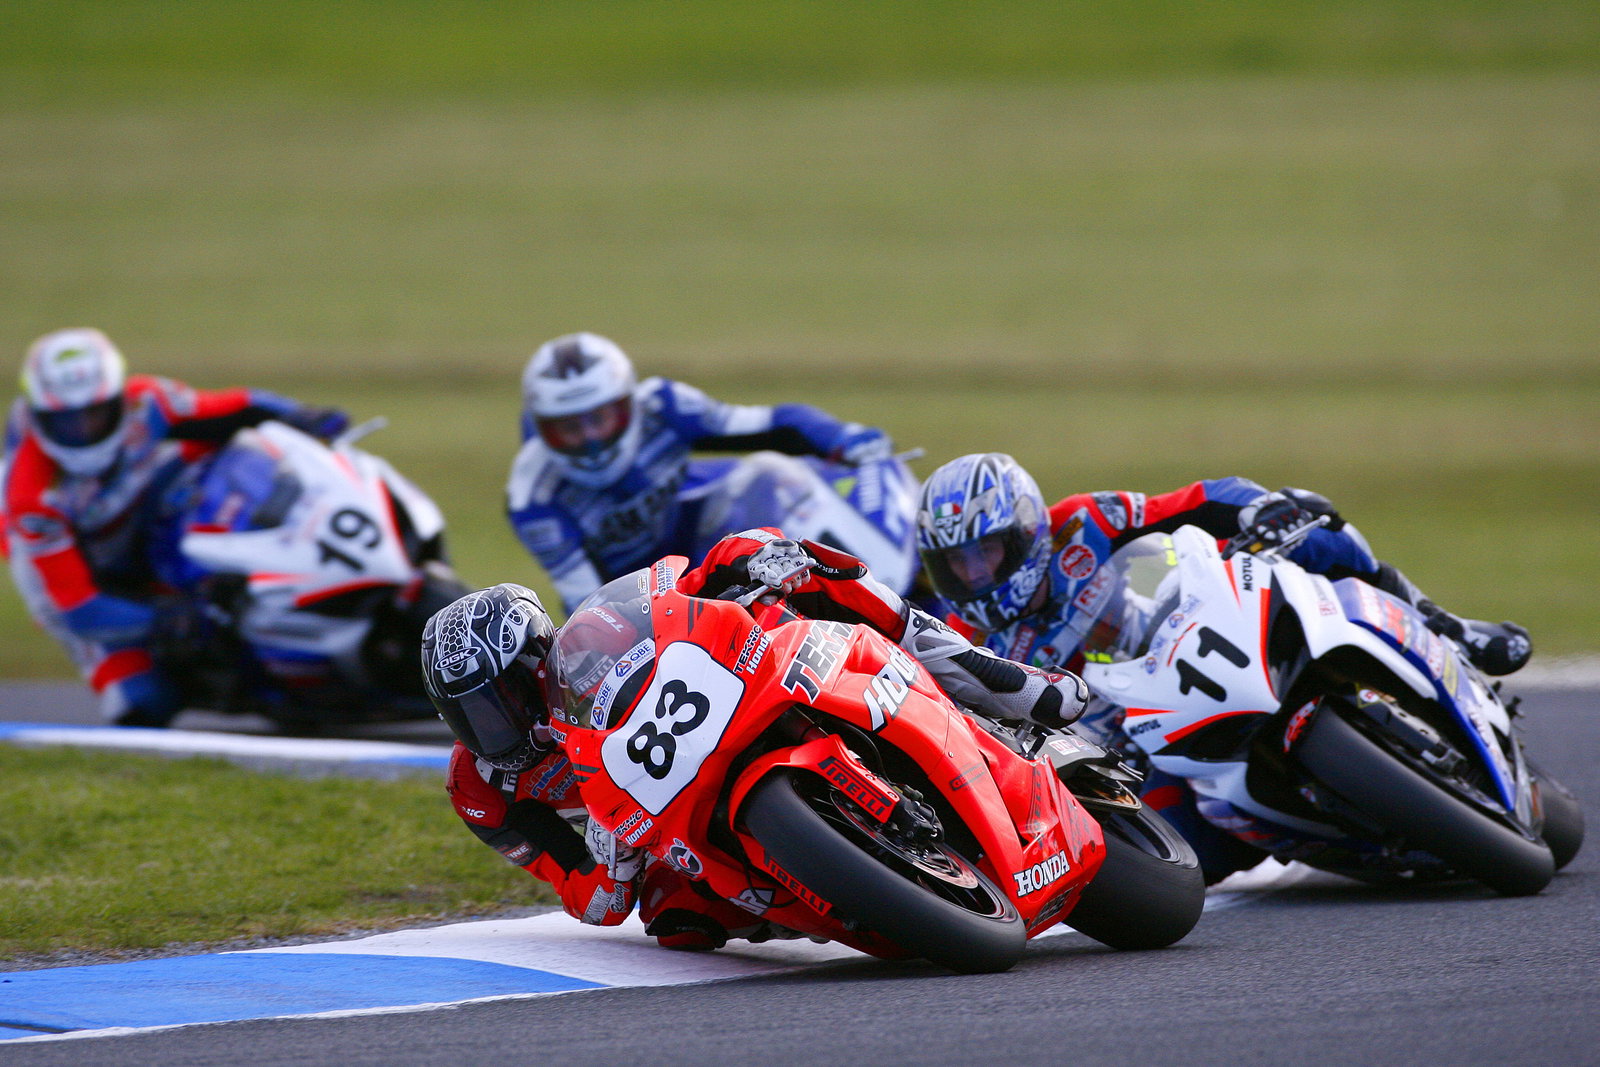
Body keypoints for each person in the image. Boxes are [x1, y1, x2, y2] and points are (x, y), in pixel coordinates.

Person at [423, 530, 1087, 951]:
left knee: (801, 571)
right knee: (677, 920)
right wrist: (607, 854)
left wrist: (748, 558)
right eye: (471, 713)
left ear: (538, 656)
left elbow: (678, 582)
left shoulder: (593, 635)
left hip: (734, 699)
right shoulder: (479, 786)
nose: (493, 726)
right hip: (653, 825)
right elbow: (589, 899)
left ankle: (1000, 681)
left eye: (500, 696)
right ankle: (855, 895)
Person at [913, 452, 1534, 880]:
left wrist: (1256, 511)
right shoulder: (965, 639)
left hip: (1193, 634)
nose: (973, 576)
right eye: (957, 564)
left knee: (1316, 533)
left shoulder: (1084, 521)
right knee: (1181, 853)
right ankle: (1339, 838)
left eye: (986, 553)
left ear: (1025, 532)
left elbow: (1196, 502)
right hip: (1136, 740)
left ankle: (1447, 625)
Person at [2, 328, 349, 727]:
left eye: (95, 413)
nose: (82, 430)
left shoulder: (147, 401)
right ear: (40, 416)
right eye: (66, 421)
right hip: (74, 579)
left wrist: (300, 415)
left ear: (118, 398)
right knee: (141, 704)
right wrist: (171, 617)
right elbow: (80, 609)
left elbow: (237, 406)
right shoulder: (31, 495)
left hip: (141, 512)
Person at [506, 332, 895, 613]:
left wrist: (842, 437)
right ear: (542, 428)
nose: (591, 440)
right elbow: (585, 600)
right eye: (571, 428)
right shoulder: (532, 497)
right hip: (640, 598)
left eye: (600, 419)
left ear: (628, 405)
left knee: (772, 477)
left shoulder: (663, 405)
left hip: (703, 537)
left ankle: (871, 582)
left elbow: (772, 423)